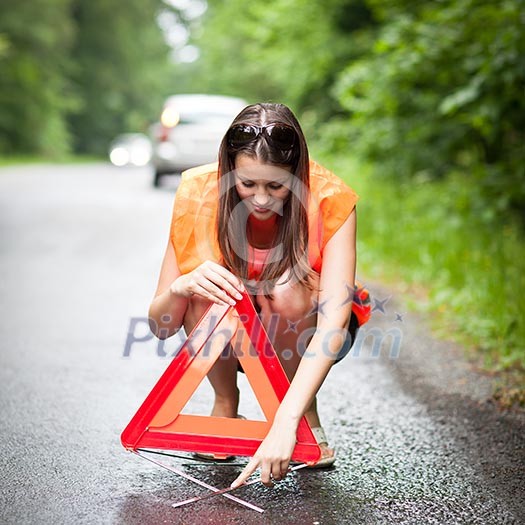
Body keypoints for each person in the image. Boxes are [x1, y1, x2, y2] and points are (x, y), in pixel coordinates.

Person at [148, 102, 367, 489]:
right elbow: (160, 326)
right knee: (205, 285)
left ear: (297, 175)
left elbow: (333, 325)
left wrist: (283, 421)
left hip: (301, 327)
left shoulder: (331, 199)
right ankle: (225, 403)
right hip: (231, 337)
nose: (262, 199)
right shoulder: (197, 193)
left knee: (285, 289)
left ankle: (301, 410)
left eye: (276, 186)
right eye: (247, 184)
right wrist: (181, 286)